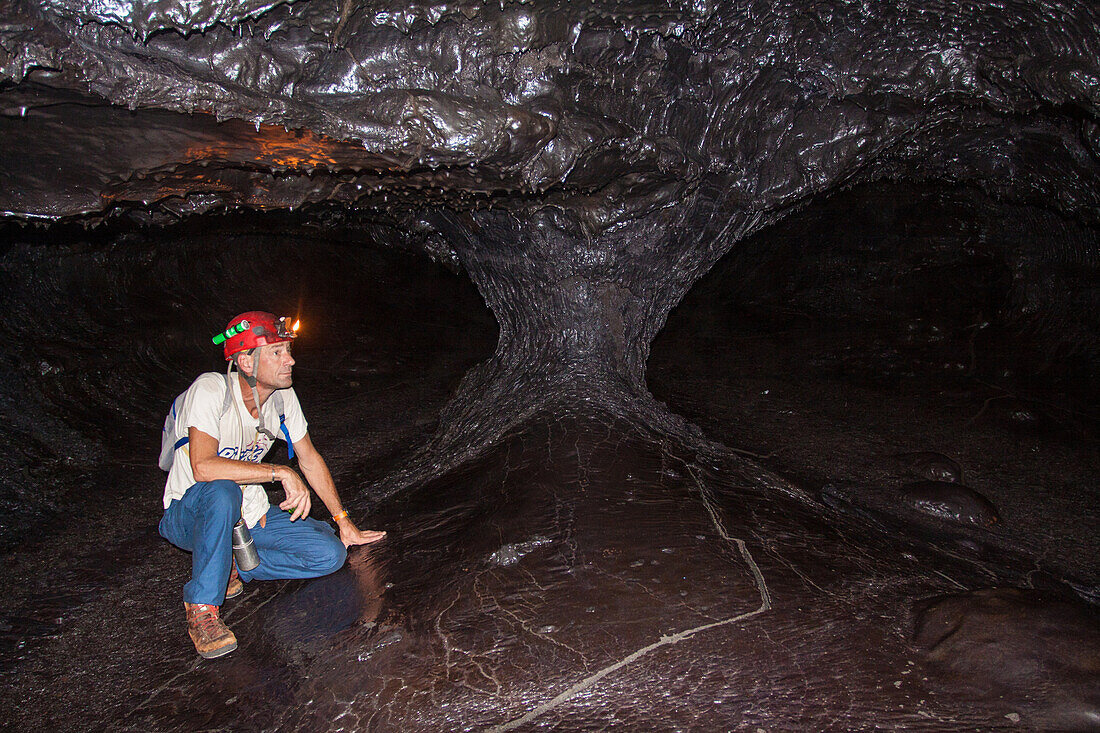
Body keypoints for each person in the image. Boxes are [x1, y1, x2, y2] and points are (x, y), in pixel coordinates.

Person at [159, 311, 386, 659]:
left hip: (247, 515)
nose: (290, 360)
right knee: (223, 490)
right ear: (247, 362)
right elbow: (203, 467)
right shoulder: (211, 390)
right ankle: (203, 608)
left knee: (330, 555)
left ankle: (232, 562)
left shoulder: (282, 398)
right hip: (189, 513)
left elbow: (309, 457)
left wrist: (343, 521)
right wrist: (279, 472)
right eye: (278, 352)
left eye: (288, 350)